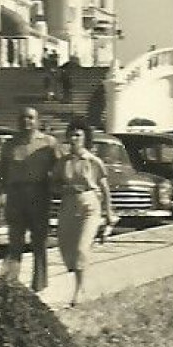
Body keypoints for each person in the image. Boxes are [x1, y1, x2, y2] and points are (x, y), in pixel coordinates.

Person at [51, 121, 113, 306]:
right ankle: (80, 278)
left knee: (81, 249)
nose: (74, 138)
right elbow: (53, 183)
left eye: (78, 135)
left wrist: (109, 212)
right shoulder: (63, 162)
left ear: (85, 138)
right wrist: (63, 187)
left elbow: (104, 187)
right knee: (67, 247)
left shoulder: (93, 161)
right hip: (68, 204)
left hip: (89, 205)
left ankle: (79, 290)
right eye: (72, 135)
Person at [0, 106, 60, 292]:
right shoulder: (9, 145)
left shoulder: (48, 143)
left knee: (39, 241)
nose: (27, 121)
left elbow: (60, 167)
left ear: (37, 121)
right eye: (23, 118)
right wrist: (1, 195)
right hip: (15, 196)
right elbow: (2, 173)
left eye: (31, 118)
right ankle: (11, 282)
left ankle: (39, 283)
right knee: (15, 240)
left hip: (39, 194)